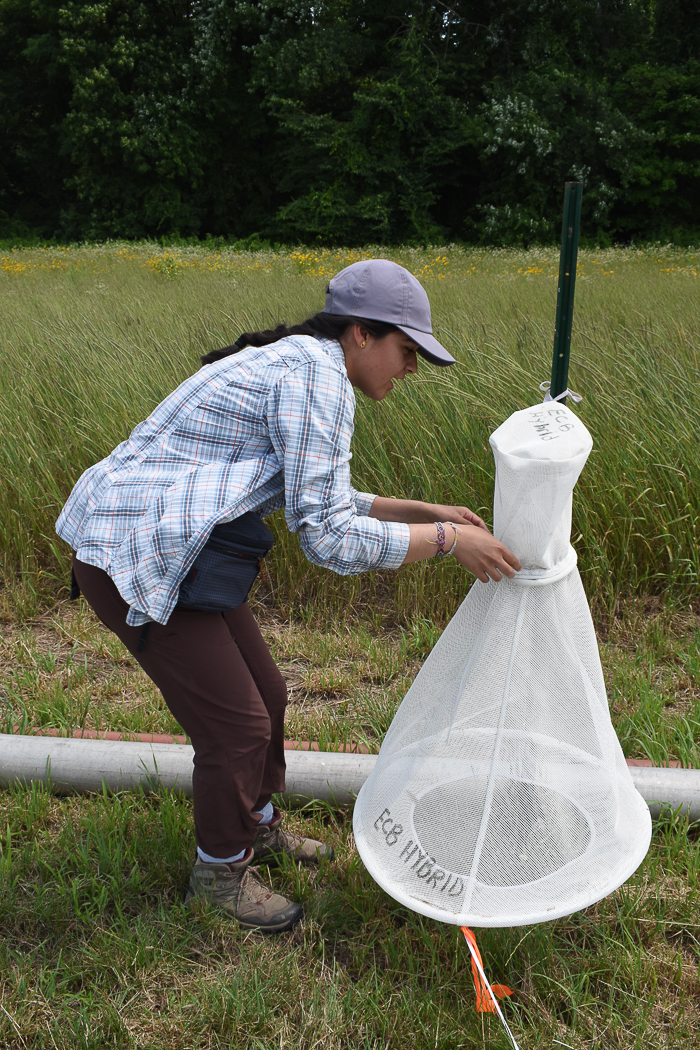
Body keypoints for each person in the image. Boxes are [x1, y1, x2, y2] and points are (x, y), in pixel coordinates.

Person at [56, 259, 521, 934]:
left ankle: (259, 826)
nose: (411, 369)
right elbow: (326, 537)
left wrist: (415, 511)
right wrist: (446, 541)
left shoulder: (307, 365)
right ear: (361, 334)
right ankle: (220, 873)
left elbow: (321, 497)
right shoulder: (314, 379)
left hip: (179, 546)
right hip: (135, 555)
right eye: (407, 351)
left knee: (268, 697)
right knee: (236, 727)